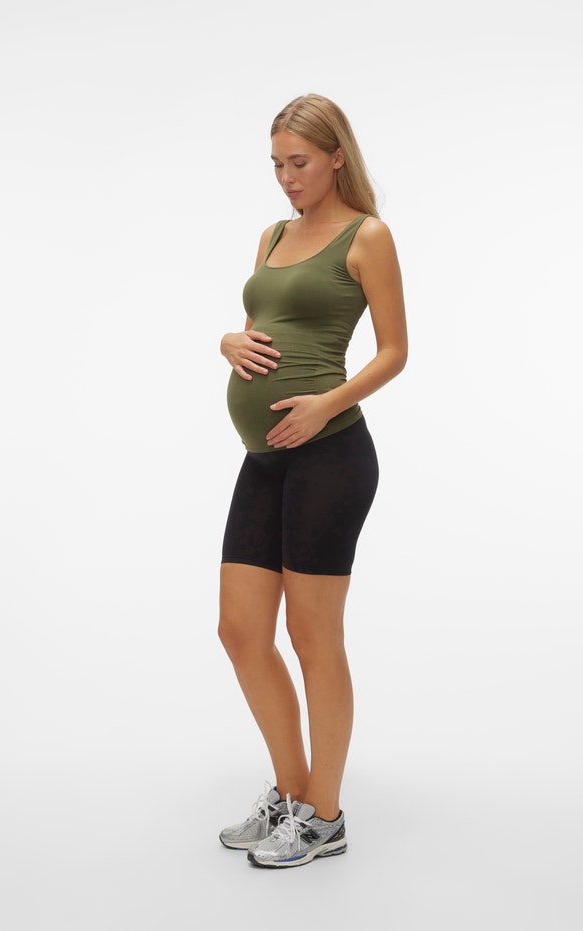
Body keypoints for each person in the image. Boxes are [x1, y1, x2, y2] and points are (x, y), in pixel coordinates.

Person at [217, 93, 408, 869]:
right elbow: (262, 327)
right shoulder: (272, 236)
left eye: (298, 162)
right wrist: (227, 341)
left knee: (311, 634)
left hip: (331, 454)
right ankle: (291, 790)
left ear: (335, 156)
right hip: (264, 455)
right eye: (276, 164)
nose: (286, 177)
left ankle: (324, 815)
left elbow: (394, 351)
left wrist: (326, 401)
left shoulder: (368, 236)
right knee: (239, 630)